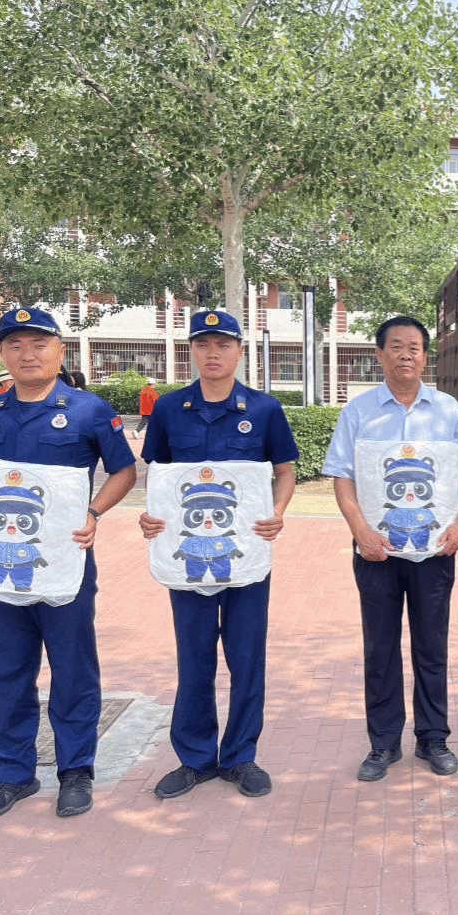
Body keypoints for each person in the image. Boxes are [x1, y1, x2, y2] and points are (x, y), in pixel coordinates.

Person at [0, 306, 136, 818]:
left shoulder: (90, 411)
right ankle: (13, 774)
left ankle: (76, 771)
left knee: (72, 670)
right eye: (15, 345)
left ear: (59, 350)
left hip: (64, 564)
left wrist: (94, 512)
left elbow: (123, 471)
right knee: (7, 672)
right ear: (2, 353)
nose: (27, 354)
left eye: (39, 344)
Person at [139, 310, 298, 800]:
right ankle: (194, 758)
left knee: (246, 657)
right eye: (204, 345)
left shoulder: (264, 409)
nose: (213, 353)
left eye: (223, 345)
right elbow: (158, 477)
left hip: (244, 555)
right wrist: (150, 517)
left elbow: (285, 469)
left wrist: (278, 511)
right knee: (194, 658)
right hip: (187, 556)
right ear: (191, 350)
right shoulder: (169, 409)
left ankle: (240, 756)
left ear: (239, 352)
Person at [322, 316, 458, 782]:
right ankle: (383, 744)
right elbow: (342, 476)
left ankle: (433, 739)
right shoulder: (358, 412)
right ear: (379, 354)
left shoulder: (447, 410)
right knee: (381, 648)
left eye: (414, 347)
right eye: (396, 346)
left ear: (425, 356)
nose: (405, 354)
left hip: (434, 551)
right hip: (377, 551)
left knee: (432, 646)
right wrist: (360, 531)